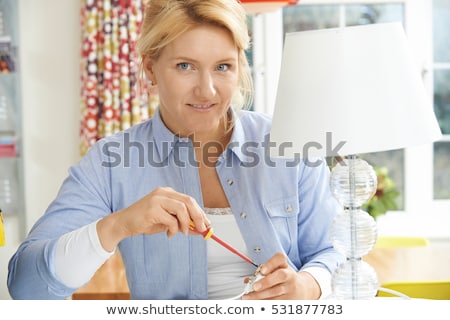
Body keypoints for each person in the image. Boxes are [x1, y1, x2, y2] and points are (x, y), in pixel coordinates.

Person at [8, 0, 343, 300]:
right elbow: (26, 286)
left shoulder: (290, 143)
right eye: (185, 66)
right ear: (151, 69)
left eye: (222, 66)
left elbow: (332, 251)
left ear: (240, 66)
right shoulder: (111, 162)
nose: (206, 89)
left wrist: (307, 286)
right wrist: (118, 225)